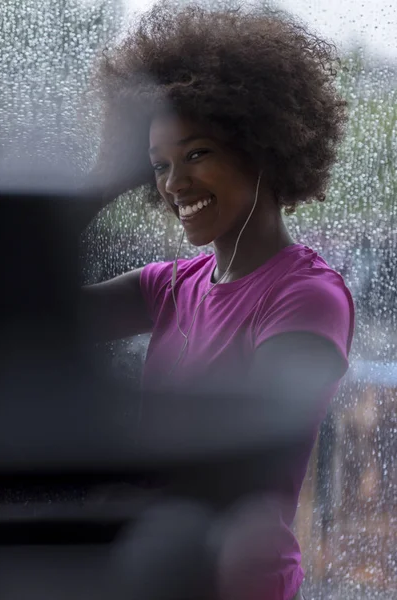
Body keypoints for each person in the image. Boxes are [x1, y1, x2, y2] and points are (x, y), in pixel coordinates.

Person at [80, 3, 355, 599]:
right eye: (158, 166)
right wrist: (104, 180)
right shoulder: (170, 285)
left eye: (197, 152)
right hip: (149, 571)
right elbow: (26, 313)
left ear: (262, 144)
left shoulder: (308, 297)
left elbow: (253, 445)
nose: (174, 184)